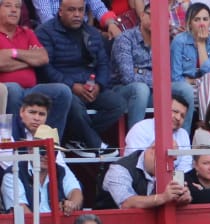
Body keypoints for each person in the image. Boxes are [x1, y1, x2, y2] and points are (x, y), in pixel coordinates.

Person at [38, 0, 148, 154]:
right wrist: (72, 86)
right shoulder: (45, 32)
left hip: (89, 86)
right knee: (74, 106)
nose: (77, 14)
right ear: (60, 11)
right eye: (71, 10)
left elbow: (103, 64)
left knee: (118, 104)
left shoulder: (91, 32)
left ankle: (77, 138)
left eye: (80, 10)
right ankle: (95, 144)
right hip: (64, 88)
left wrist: (99, 85)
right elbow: (46, 69)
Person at [0, 0, 73, 137]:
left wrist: (13, 53)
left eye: (17, 7)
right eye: (8, 6)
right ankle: (16, 143)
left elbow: (43, 58)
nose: (14, 10)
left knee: (62, 91)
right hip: (6, 88)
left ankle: (49, 142)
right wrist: (30, 60)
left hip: (31, 89)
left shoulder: (27, 33)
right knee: (14, 89)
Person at [2, 124, 82, 213]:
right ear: (30, 149)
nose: (47, 156)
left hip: (57, 221)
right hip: (31, 222)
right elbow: (21, 211)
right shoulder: (13, 173)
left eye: (53, 152)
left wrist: (71, 204)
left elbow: (76, 191)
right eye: (43, 151)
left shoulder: (61, 170)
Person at [170, 3, 210, 134]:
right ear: (189, 23)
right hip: (184, 87)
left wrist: (201, 44)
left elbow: (209, 72)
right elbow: (176, 77)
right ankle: (208, 130)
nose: (202, 24)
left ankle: (204, 127)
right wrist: (195, 81)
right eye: (197, 20)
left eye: (205, 19)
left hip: (205, 86)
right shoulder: (179, 41)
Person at [102, 143, 194, 207]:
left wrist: (181, 199)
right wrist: (163, 197)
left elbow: (170, 200)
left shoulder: (168, 170)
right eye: (168, 159)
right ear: (152, 151)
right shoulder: (119, 169)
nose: (171, 165)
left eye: (173, 160)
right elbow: (126, 203)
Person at [123, 93, 193, 175]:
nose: (178, 118)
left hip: (172, 180)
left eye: (182, 116)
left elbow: (185, 166)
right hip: (138, 177)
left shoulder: (183, 134)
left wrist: (176, 181)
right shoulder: (141, 128)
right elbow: (137, 162)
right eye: (175, 112)